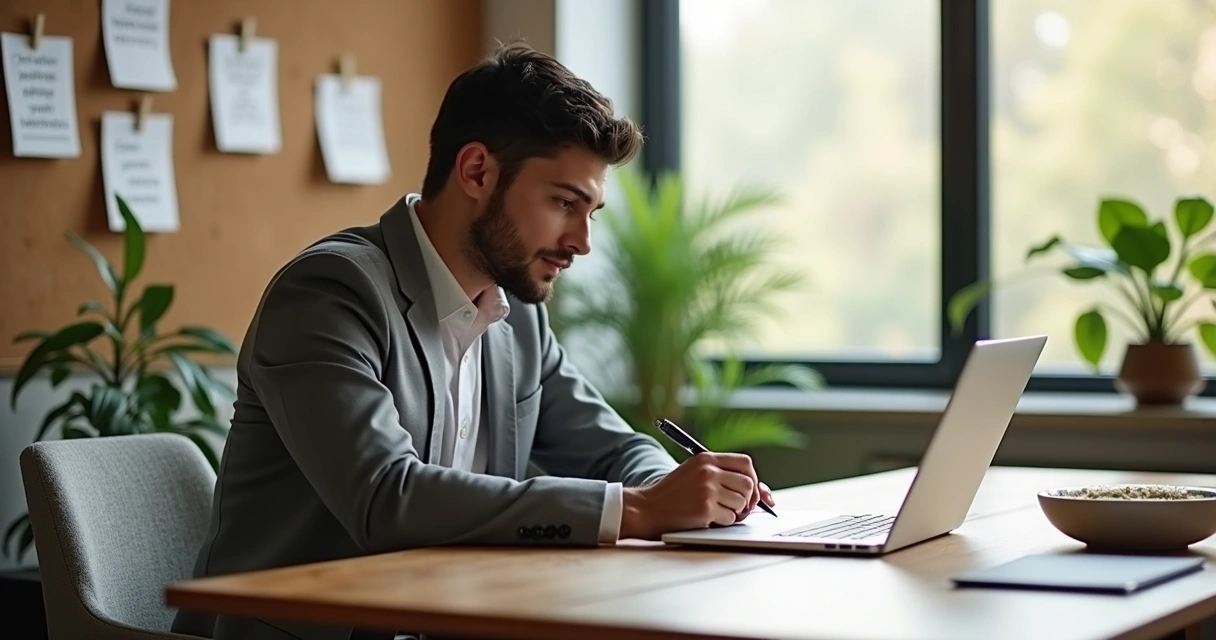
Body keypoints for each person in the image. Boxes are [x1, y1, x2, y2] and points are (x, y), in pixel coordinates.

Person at [172, 42, 774, 640]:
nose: (583, 241)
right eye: (564, 202)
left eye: (591, 211)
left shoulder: (517, 317)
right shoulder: (329, 293)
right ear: (477, 171)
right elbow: (386, 497)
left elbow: (610, 451)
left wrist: (692, 495)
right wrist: (641, 510)